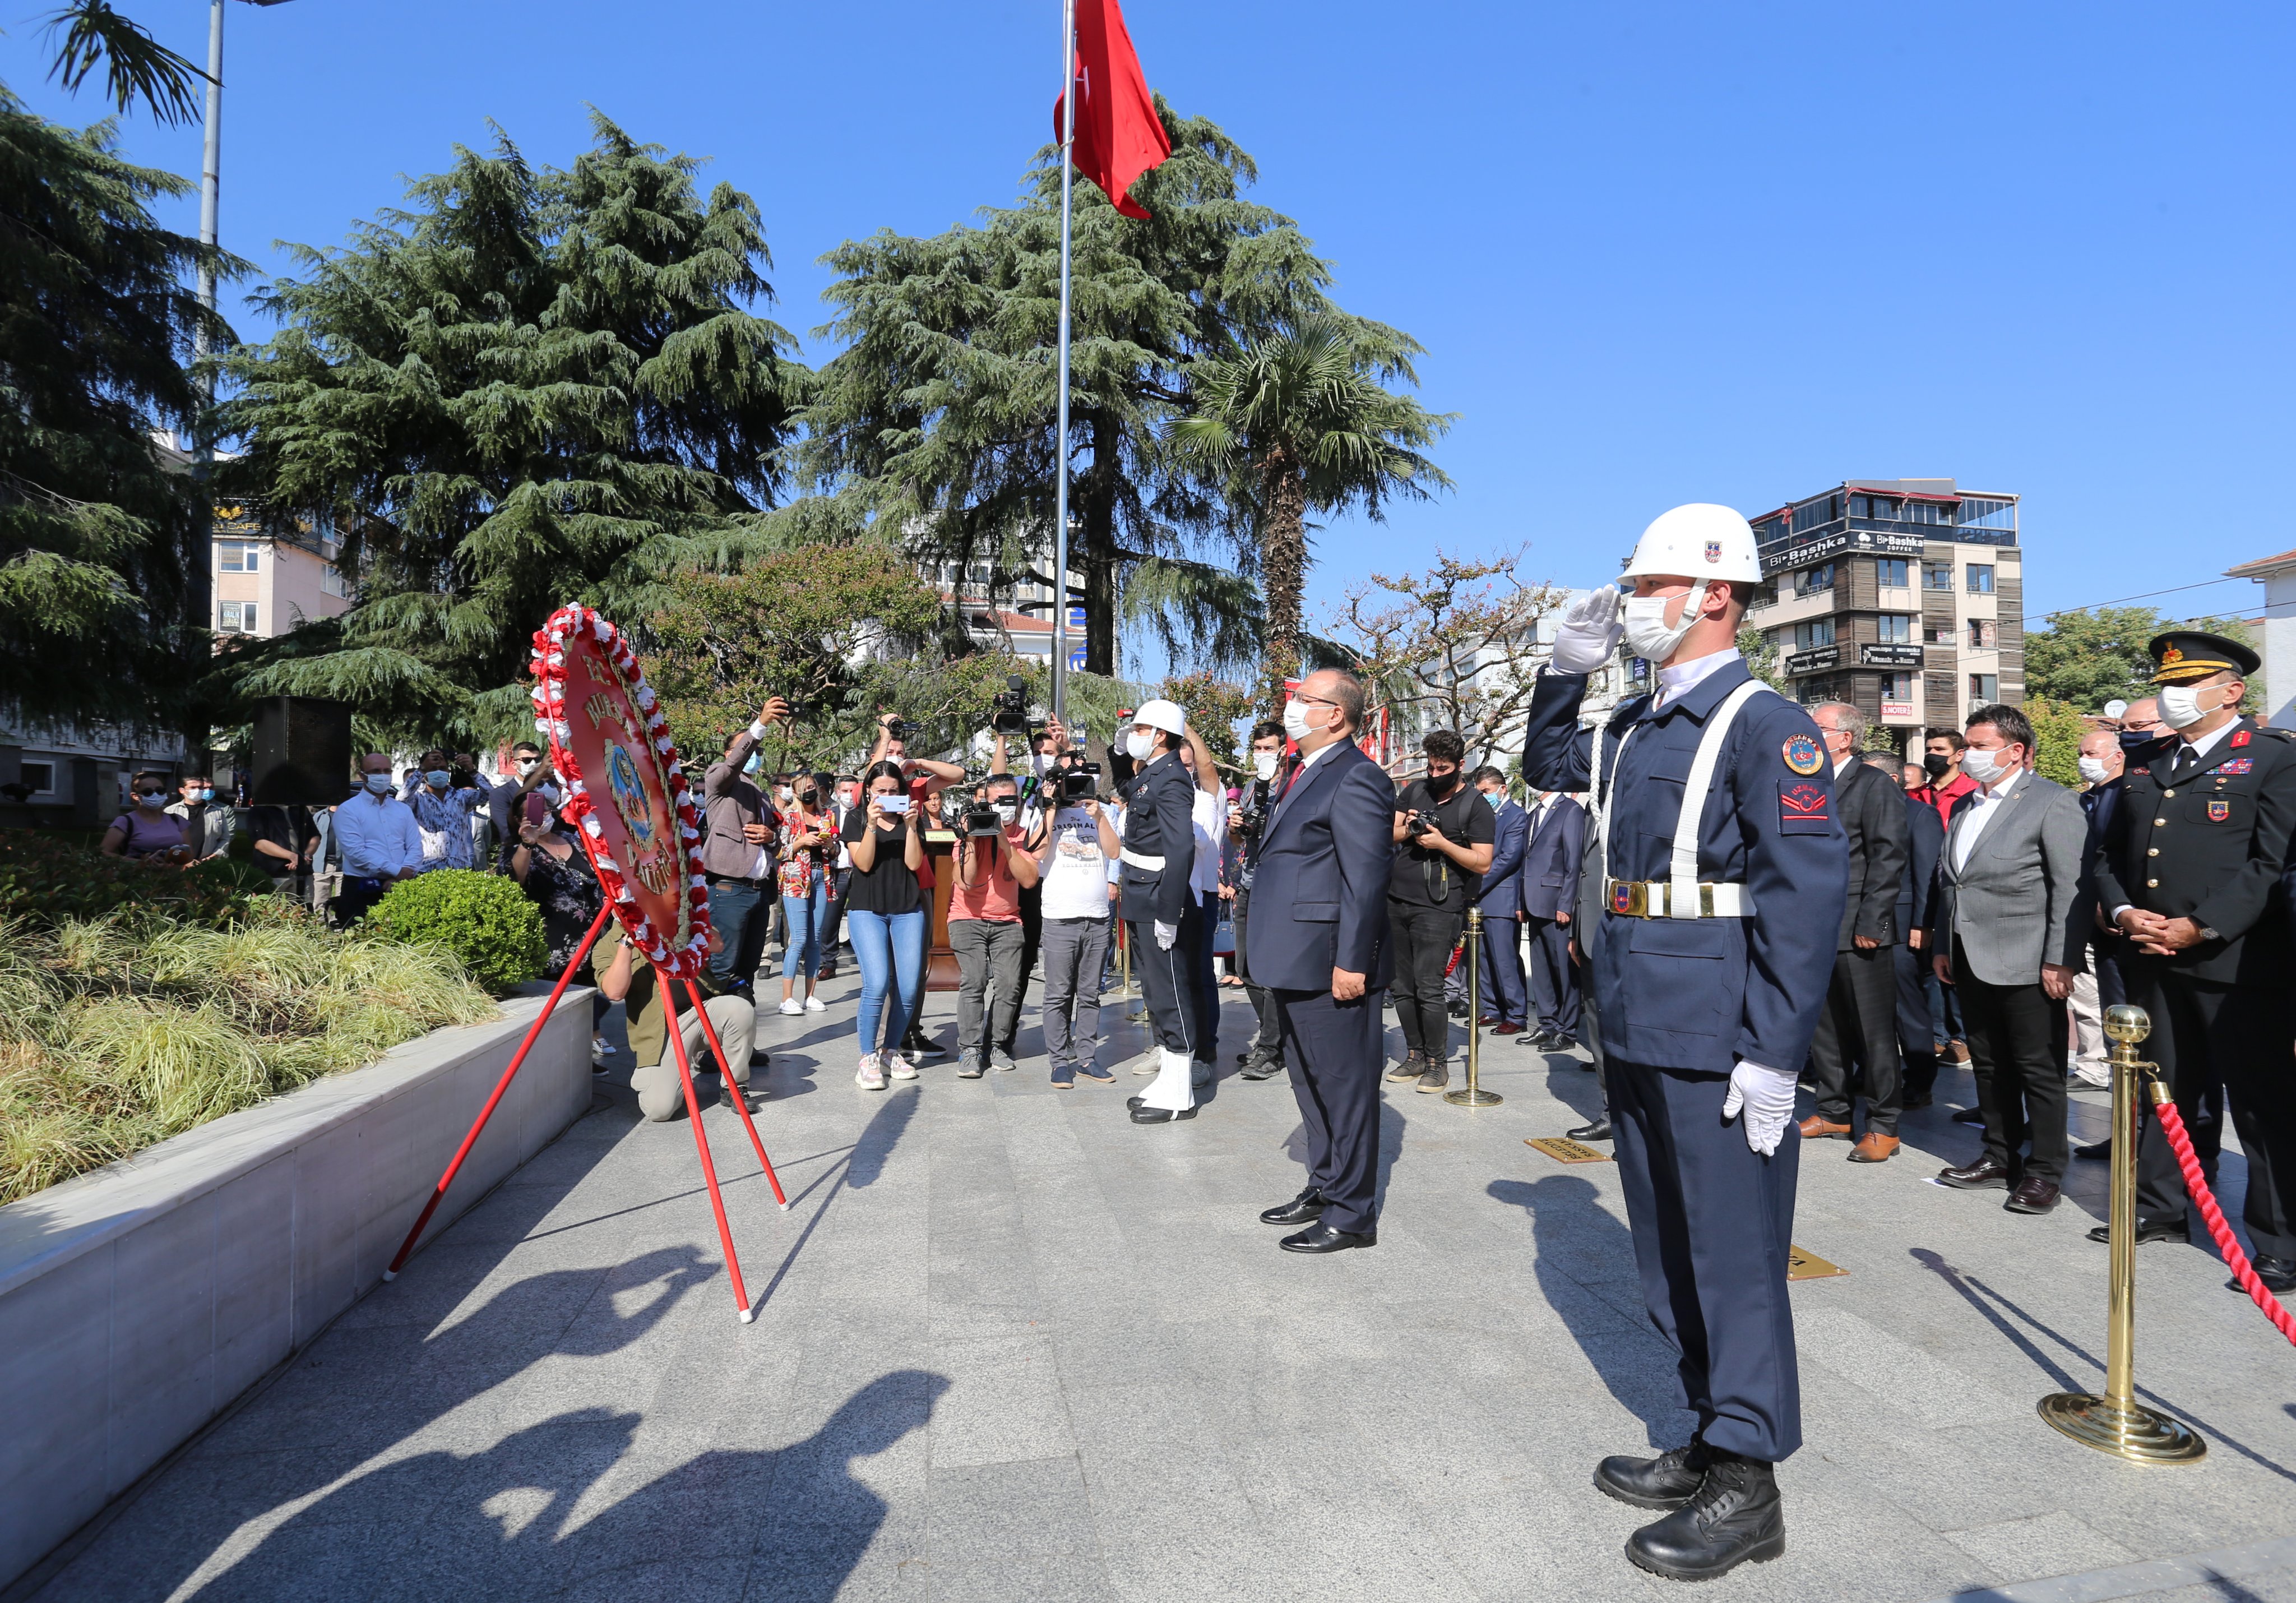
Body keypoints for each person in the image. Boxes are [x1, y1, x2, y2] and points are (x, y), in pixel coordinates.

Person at [1523, 503, 1845, 1581]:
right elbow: (1548, 761)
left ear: (1714, 591)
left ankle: (1749, 1483)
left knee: (1734, 1256)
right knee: (1666, 1248)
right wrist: (1562, 673)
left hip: (1717, 1027)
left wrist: (1774, 1049)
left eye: (1648, 585)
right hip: (1635, 1008)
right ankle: (1711, 1433)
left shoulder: (1769, 724)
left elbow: (1804, 898)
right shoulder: (1635, 720)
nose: (1630, 604)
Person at [2088, 631, 2296, 1293]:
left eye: (2183, 687)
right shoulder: (2148, 763)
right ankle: (2161, 1210)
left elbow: (2274, 863)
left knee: (2260, 1107)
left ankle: (2279, 1242)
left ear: (2230, 692)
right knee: (2163, 1090)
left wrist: (2200, 926)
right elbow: (2106, 855)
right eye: (2165, 686)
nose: (2169, 697)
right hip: (2152, 953)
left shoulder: (2270, 760)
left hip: (2238, 964)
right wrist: (2124, 913)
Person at [1247, 668, 1395, 1252]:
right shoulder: (1303, 772)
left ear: (1334, 713)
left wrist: (1352, 962)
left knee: (1343, 1087)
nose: (1291, 708)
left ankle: (1352, 1214)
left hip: (1330, 959)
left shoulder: (1356, 776)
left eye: (1302, 700)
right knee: (1309, 1083)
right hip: (1291, 955)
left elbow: (1365, 877)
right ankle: (1326, 1182)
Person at [1928, 704, 2086, 1215]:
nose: (1969, 755)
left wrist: (2059, 959)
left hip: (2028, 959)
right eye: (1968, 745)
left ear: (2015, 750)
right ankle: (1999, 1155)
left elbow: (2069, 888)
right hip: (1969, 955)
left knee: (2037, 1069)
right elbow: (1951, 881)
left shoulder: (2051, 802)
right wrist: (1940, 945)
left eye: (1978, 746)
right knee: (1991, 1066)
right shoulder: (1964, 807)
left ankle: (2044, 1171)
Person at [1799, 703, 1911, 1162]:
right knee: (1822, 1027)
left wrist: (1874, 921)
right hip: (1811, 926)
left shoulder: (1872, 783)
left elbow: (1888, 856)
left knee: (1873, 1032)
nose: (1807, 736)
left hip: (1858, 925)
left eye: (1817, 729)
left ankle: (1884, 1123)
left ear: (1845, 738)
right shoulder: (1804, 782)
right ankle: (1834, 1110)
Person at [1383, 729, 1497, 1094]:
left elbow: (1482, 863)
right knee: (1402, 985)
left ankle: (1437, 1063)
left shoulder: (1475, 805)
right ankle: (1415, 1053)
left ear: (1461, 765)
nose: (1435, 774)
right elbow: (1388, 835)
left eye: (1442, 768)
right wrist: (1407, 827)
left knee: (1429, 984)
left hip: (1440, 906)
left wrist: (1442, 842)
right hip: (1396, 898)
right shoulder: (1416, 790)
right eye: (1430, 767)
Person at [1116, 698, 1208, 1124]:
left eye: (1140, 728)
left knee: (1170, 993)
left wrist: (1169, 914)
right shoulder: (1152, 775)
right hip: (1141, 896)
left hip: (1158, 901)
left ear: (1160, 735)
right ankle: (1169, 1079)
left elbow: (1180, 849)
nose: (1134, 734)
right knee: (1155, 992)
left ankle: (1180, 1092)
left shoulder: (1172, 779)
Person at [868, 715, 966, 1061]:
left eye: (899, 752)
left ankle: (910, 1029)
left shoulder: (915, 789)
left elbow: (958, 776)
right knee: (883, 973)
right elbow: (870, 779)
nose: (894, 756)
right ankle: (882, 1041)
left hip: (917, 884)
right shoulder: (871, 796)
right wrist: (883, 745)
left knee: (914, 967)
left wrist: (916, 763)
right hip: (878, 889)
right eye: (889, 752)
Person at [590, 921, 756, 1120]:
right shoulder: (607, 944)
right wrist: (628, 944)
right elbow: (615, 992)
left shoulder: (676, 914)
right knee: (660, 1110)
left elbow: (717, 944)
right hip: (660, 1032)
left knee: (739, 1010)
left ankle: (734, 1087)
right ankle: (663, 1074)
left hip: (701, 1013)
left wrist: (681, 923)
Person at [1865, 752, 1946, 1112]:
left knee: (1906, 1008)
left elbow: (1929, 873)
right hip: (1864, 923)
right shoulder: (1855, 811)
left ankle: (1919, 1080)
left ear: (1892, 780)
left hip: (1903, 927)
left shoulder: (1919, 814)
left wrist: (1922, 923)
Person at [1033, 764, 1122, 1087]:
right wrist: (1050, 808)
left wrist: (1099, 816)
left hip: (1097, 916)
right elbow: (1037, 851)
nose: (1075, 790)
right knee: (1057, 995)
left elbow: (1114, 852)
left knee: (1090, 994)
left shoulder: (1100, 813)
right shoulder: (1046, 814)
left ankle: (1086, 1058)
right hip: (1060, 916)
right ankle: (1059, 1062)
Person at [843, 760, 928, 1091]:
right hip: (868, 909)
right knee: (877, 983)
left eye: (895, 791)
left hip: (907, 908)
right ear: (868, 792)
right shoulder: (855, 818)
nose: (888, 796)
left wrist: (910, 827)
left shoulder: (912, 819)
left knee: (908, 988)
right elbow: (862, 863)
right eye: (881, 791)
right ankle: (867, 1057)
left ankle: (891, 1051)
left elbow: (914, 863)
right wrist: (872, 824)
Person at [950, 774, 1041, 1077]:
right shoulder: (968, 832)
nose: (1006, 806)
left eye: (1011, 800)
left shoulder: (1022, 834)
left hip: (1008, 920)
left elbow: (1028, 880)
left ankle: (998, 1045)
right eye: (998, 801)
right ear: (985, 802)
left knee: (1009, 986)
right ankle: (970, 1050)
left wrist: (1003, 839)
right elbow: (966, 881)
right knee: (974, 981)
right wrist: (974, 837)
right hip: (968, 918)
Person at [510, 793, 612, 1065]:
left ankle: (588, 1047)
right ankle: (569, 1059)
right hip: (553, 943)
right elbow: (516, 879)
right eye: (534, 812)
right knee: (561, 1005)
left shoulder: (574, 839)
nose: (543, 815)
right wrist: (526, 842)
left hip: (591, 936)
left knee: (590, 997)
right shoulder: (517, 849)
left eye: (547, 809)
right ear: (520, 820)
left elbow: (592, 874)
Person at [701, 700, 789, 999]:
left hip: (760, 890)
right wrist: (760, 725)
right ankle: (711, 1043)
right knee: (722, 968)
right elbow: (734, 765)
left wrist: (771, 838)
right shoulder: (719, 778)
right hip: (729, 889)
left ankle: (740, 1045)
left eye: (759, 753)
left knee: (747, 970)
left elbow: (772, 842)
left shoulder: (760, 793)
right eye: (750, 750)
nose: (756, 756)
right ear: (731, 754)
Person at [1228, 721, 1290, 1080]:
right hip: (1249, 884)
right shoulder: (1252, 787)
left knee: (1271, 973)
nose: (1263, 754)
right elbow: (1240, 842)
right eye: (1258, 748)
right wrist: (1236, 827)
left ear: (1283, 750)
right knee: (1246, 968)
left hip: (1277, 888)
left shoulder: (1294, 785)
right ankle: (1272, 1043)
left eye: (1269, 748)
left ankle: (1270, 1048)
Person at [1175, 723, 1230, 1082]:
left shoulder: (1207, 797)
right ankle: (1174, 1045)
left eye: (1189, 765)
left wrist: (1187, 729)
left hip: (1203, 897)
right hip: (1167, 895)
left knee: (1199, 976)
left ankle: (1205, 1047)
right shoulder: (1158, 796)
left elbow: (1209, 770)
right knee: (1174, 977)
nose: (1184, 770)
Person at [1515, 783, 1587, 1054]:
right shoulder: (1534, 813)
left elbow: (1573, 862)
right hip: (1534, 903)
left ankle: (1567, 1030)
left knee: (1564, 970)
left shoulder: (1570, 811)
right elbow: (1527, 861)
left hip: (1556, 902)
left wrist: (1567, 903)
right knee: (1542, 968)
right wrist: (1521, 901)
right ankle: (1547, 1024)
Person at [1470, 768, 1532, 1036]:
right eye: (1480, 792)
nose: (1483, 797)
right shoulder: (1483, 817)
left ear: (1502, 789)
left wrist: (1477, 884)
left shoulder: (1516, 816)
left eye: (1486, 791)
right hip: (1481, 900)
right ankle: (1492, 1008)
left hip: (1501, 896)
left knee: (1504, 959)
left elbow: (1508, 858)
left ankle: (1516, 1015)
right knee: (1484, 958)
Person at [331, 754, 423, 924]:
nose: (382, 775)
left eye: (387, 771)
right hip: (362, 890)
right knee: (359, 944)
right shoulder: (349, 810)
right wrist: (397, 871)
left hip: (401, 886)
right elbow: (356, 853)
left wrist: (400, 876)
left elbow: (415, 847)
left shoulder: (402, 810)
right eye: (376, 771)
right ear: (362, 775)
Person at [101, 773, 192, 865]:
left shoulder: (177, 820)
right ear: (135, 796)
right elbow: (103, 853)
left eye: (160, 790)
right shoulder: (125, 822)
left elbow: (189, 855)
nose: (155, 795)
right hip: (141, 877)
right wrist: (142, 863)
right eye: (148, 792)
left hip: (174, 877)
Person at [246, 802, 318, 894]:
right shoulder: (258, 810)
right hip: (272, 874)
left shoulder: (300, 808)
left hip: (303, 873)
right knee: (270, 907)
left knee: (304, 907)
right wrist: (293, 857)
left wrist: (305, 856)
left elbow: (315, 836)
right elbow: (260, 843)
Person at [165, 774, 234, 861]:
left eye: (201, 788)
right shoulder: (171, 812)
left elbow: (226, 838)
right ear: (182, 790)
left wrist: (212, 857)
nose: (198, 790)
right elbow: (165, 839)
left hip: (208, 864)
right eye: (193, 788)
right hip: (179, 863)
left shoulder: (217, 811)